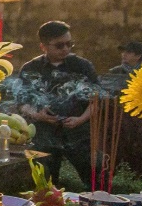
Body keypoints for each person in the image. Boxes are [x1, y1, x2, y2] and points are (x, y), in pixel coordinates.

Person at [15, 20, 99, 188]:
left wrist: (80, 119)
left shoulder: (82, 66)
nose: (66, 49)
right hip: (44, 134)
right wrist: (38, 115)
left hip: (78, 133)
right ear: (43, 46)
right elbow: (21, 103)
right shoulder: (31, 68)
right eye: (60, 46)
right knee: (44, 185)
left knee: (96, 181)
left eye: (69, 44)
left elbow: (95, 101)